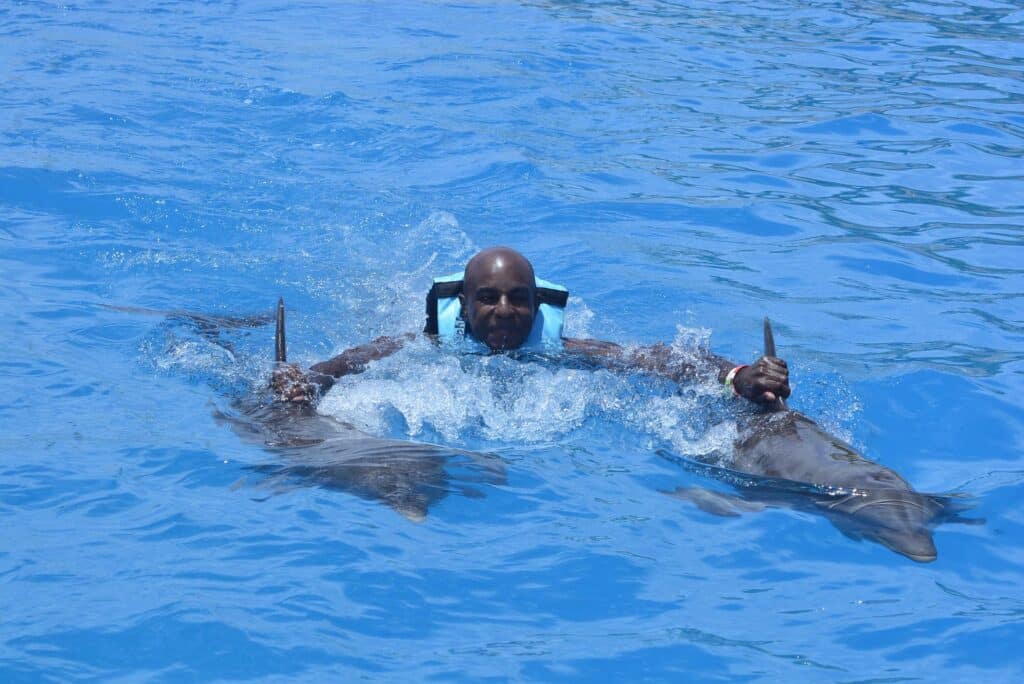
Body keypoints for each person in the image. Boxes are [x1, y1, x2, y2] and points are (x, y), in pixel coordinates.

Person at [273, 246, 790, 405]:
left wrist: (737, 376)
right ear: (465, 303)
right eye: (488, 298)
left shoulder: (562, 347)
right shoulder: (424, 346)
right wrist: (306, 381)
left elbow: (657, 359)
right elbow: (347, 362)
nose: (504, 311)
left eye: (519, 299)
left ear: (538, 306)